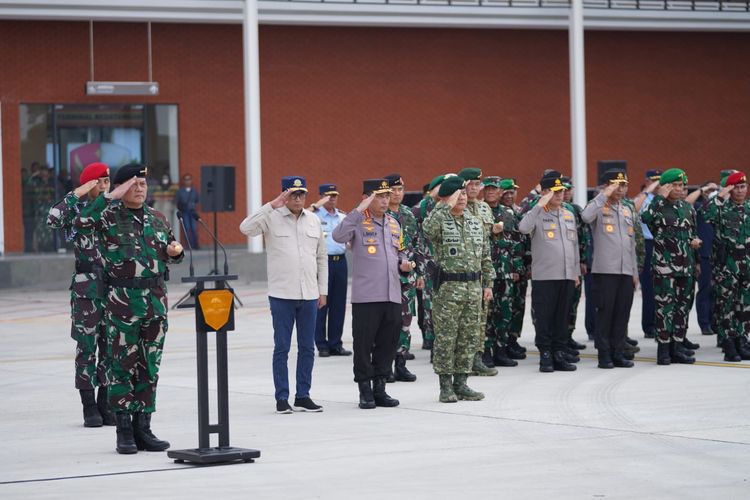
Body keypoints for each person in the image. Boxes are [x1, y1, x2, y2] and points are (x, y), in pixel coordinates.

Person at [74, 164, 184, 454]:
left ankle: (143, 427)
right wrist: (109, 197)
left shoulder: (158, 218)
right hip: (122, 304)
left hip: (156, 304)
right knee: (121, 367)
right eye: (133, 184)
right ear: (121, 188)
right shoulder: (106, 216)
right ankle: (124, 431)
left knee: (149, 367)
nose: (140, 189)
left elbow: (168, 253)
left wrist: (177, 253)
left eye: (143, 184)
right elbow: (80, 221)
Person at [240, 176, 327, 414]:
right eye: (293, 194)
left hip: (309, 293)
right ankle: (282, 397)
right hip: (282, 294)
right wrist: (271, 205)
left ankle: (303, 395)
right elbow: (245, 228)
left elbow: (321, 257)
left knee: (307, 347)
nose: (298, 199)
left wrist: (323, 291)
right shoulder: (271, 218)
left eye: (301, 195)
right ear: (284, 195)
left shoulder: (313, 220)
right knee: (282, 348)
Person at [332, 179, 413, 409]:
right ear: (367, 197)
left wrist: (405, 263)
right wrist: (359, 210)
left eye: (388, 195)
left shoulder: (394, 223)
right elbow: (338, 236)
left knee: (388, 344)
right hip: (367, 296)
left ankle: (380, 388)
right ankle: (364, 389)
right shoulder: (357, 221)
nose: (386, 200)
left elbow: (400, 252)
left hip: (392, 294)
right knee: (364, 344)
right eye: (380, 195)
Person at [47, 162, 114, 427]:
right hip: (87, 287)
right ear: (89, 184)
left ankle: (105, 402)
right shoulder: (76, 210)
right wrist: (79, 192)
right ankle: (88, 406)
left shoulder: (114, 208)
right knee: (86, 348)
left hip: (114, 286)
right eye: (100, 180)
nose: (105, 185)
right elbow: (53, 218)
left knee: (110, 347)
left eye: (108, 180)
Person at [423, 176, 495, 402]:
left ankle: (462, 383)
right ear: (447, 197)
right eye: (458, 194)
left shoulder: (475, 221)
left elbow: (485, 255)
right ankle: (445, 386)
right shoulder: (439, 220)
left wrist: (488, 284)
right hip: (448, 289)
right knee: (446, 338)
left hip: (473, 289)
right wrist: (444, 204)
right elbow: (428, 230)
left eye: (464, 193)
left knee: (468, 338)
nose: (463, 197)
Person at [519, 171, 581, 372]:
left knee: (562, 317)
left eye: (562, 191)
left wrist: (576, 273)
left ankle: (559, 353)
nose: (560, 194)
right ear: (544, 192)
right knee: (544, 317)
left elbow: (574, 246)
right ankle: (545, 354)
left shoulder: (568, 214)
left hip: (566, 276)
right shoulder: (537, 213)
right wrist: (539, 205)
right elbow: (523, 227)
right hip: (545, 276)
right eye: (554, 191)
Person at [641, 168, 701, 365]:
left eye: (681, 185)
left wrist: (696, 254)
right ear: (666, 186)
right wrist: (659, 197)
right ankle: (663, 350)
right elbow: (645, 218)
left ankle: (677, 347)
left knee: (682, 309)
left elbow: (692, 233)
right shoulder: (658, 206)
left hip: (686, 266)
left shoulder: (687, 208)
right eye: (674, 185)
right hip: (665, 268)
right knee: (664, 309)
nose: (679, 188)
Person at [581, 169, 638, 369]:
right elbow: (586, 217)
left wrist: (634, 272)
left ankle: (618, 351)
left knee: (622, 313)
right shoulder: (598, 206)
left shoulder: (627, 209)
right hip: (605, 271)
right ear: (606, 186)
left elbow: (632, 245)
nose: (621, 189)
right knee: (605, 313)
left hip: (625, 271)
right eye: (616, 184)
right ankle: (604, 354)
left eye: (624, 185)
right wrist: (604, 194)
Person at [701, 171, 750, 361]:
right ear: (730, 190)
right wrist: (721, 195)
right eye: (736, 188)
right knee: (726, 307)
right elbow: (705, 213)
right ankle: (728, 344)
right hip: (726, 268)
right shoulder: (721, 208)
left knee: (744, 307)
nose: (740, 191)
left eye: (742, 187)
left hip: (746, 267)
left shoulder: (748, 208)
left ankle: (742, 340)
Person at [458, 167, 498, 377]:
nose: (474, 188)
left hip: (479, 271)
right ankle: (460, 361)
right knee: (460, 321)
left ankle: (477, 358)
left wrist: (488, 281)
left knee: (480, 319)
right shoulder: (455, 207)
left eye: (477, 184)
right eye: (470, 184)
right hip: (458, 274)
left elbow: (487, 247)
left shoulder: (484, 208)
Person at [482, 176, 524, 368]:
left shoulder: (508, 213)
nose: (490, 192)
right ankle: (486, 351)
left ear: (500, 192)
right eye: (488, 189)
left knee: (504, 312)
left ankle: (501, 349)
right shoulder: (479, 211)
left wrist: (516, 267)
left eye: (494, 189)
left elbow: (516, 241)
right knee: (487, 313)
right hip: (487, 271)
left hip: (505, 270)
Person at [308, 183, 351, 358]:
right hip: (322, 263)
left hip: (340, 262)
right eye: (328, 195)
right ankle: (321, 344)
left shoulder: (342, 216)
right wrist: (316, 205)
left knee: (338, 305)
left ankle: (335, 343)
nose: (332, 198)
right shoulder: (314, 216)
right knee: (321, 304)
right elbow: (301, 216)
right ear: (321, 196)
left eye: (334, 195)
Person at [384, 173, 418, 382]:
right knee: (388, 321)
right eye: (393, 190)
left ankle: (401, 363)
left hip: (407, 276)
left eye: (400, 189)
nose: (397, 194)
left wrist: (419, 273)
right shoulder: (379, 214)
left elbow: (416, 245)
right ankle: (385, 365)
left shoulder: (408, 214)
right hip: (387, 277)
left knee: (405, 321)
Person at [634, 169, 662, 339]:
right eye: (654, 181)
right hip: (647, 244)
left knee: (663, 287)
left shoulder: (663, 199)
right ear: (647, 181)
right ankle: (649, 325)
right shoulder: (644, 198)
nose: (658, 184)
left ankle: (661, 324)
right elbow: (635, 207)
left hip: (663, 243)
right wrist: (648, 190)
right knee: (649, 288)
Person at [176, 173, 200, 249]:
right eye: (186, 179)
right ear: (184, 181)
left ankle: (195, 245)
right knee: (186, 228)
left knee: (194, 228)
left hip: (192, 212)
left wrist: (194, 206)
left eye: (189, 179)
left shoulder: (194, 191)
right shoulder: (180, 191)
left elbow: (198, 200)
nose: (187, 181)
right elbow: (177, 201)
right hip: (185, 211)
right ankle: (188, 245)